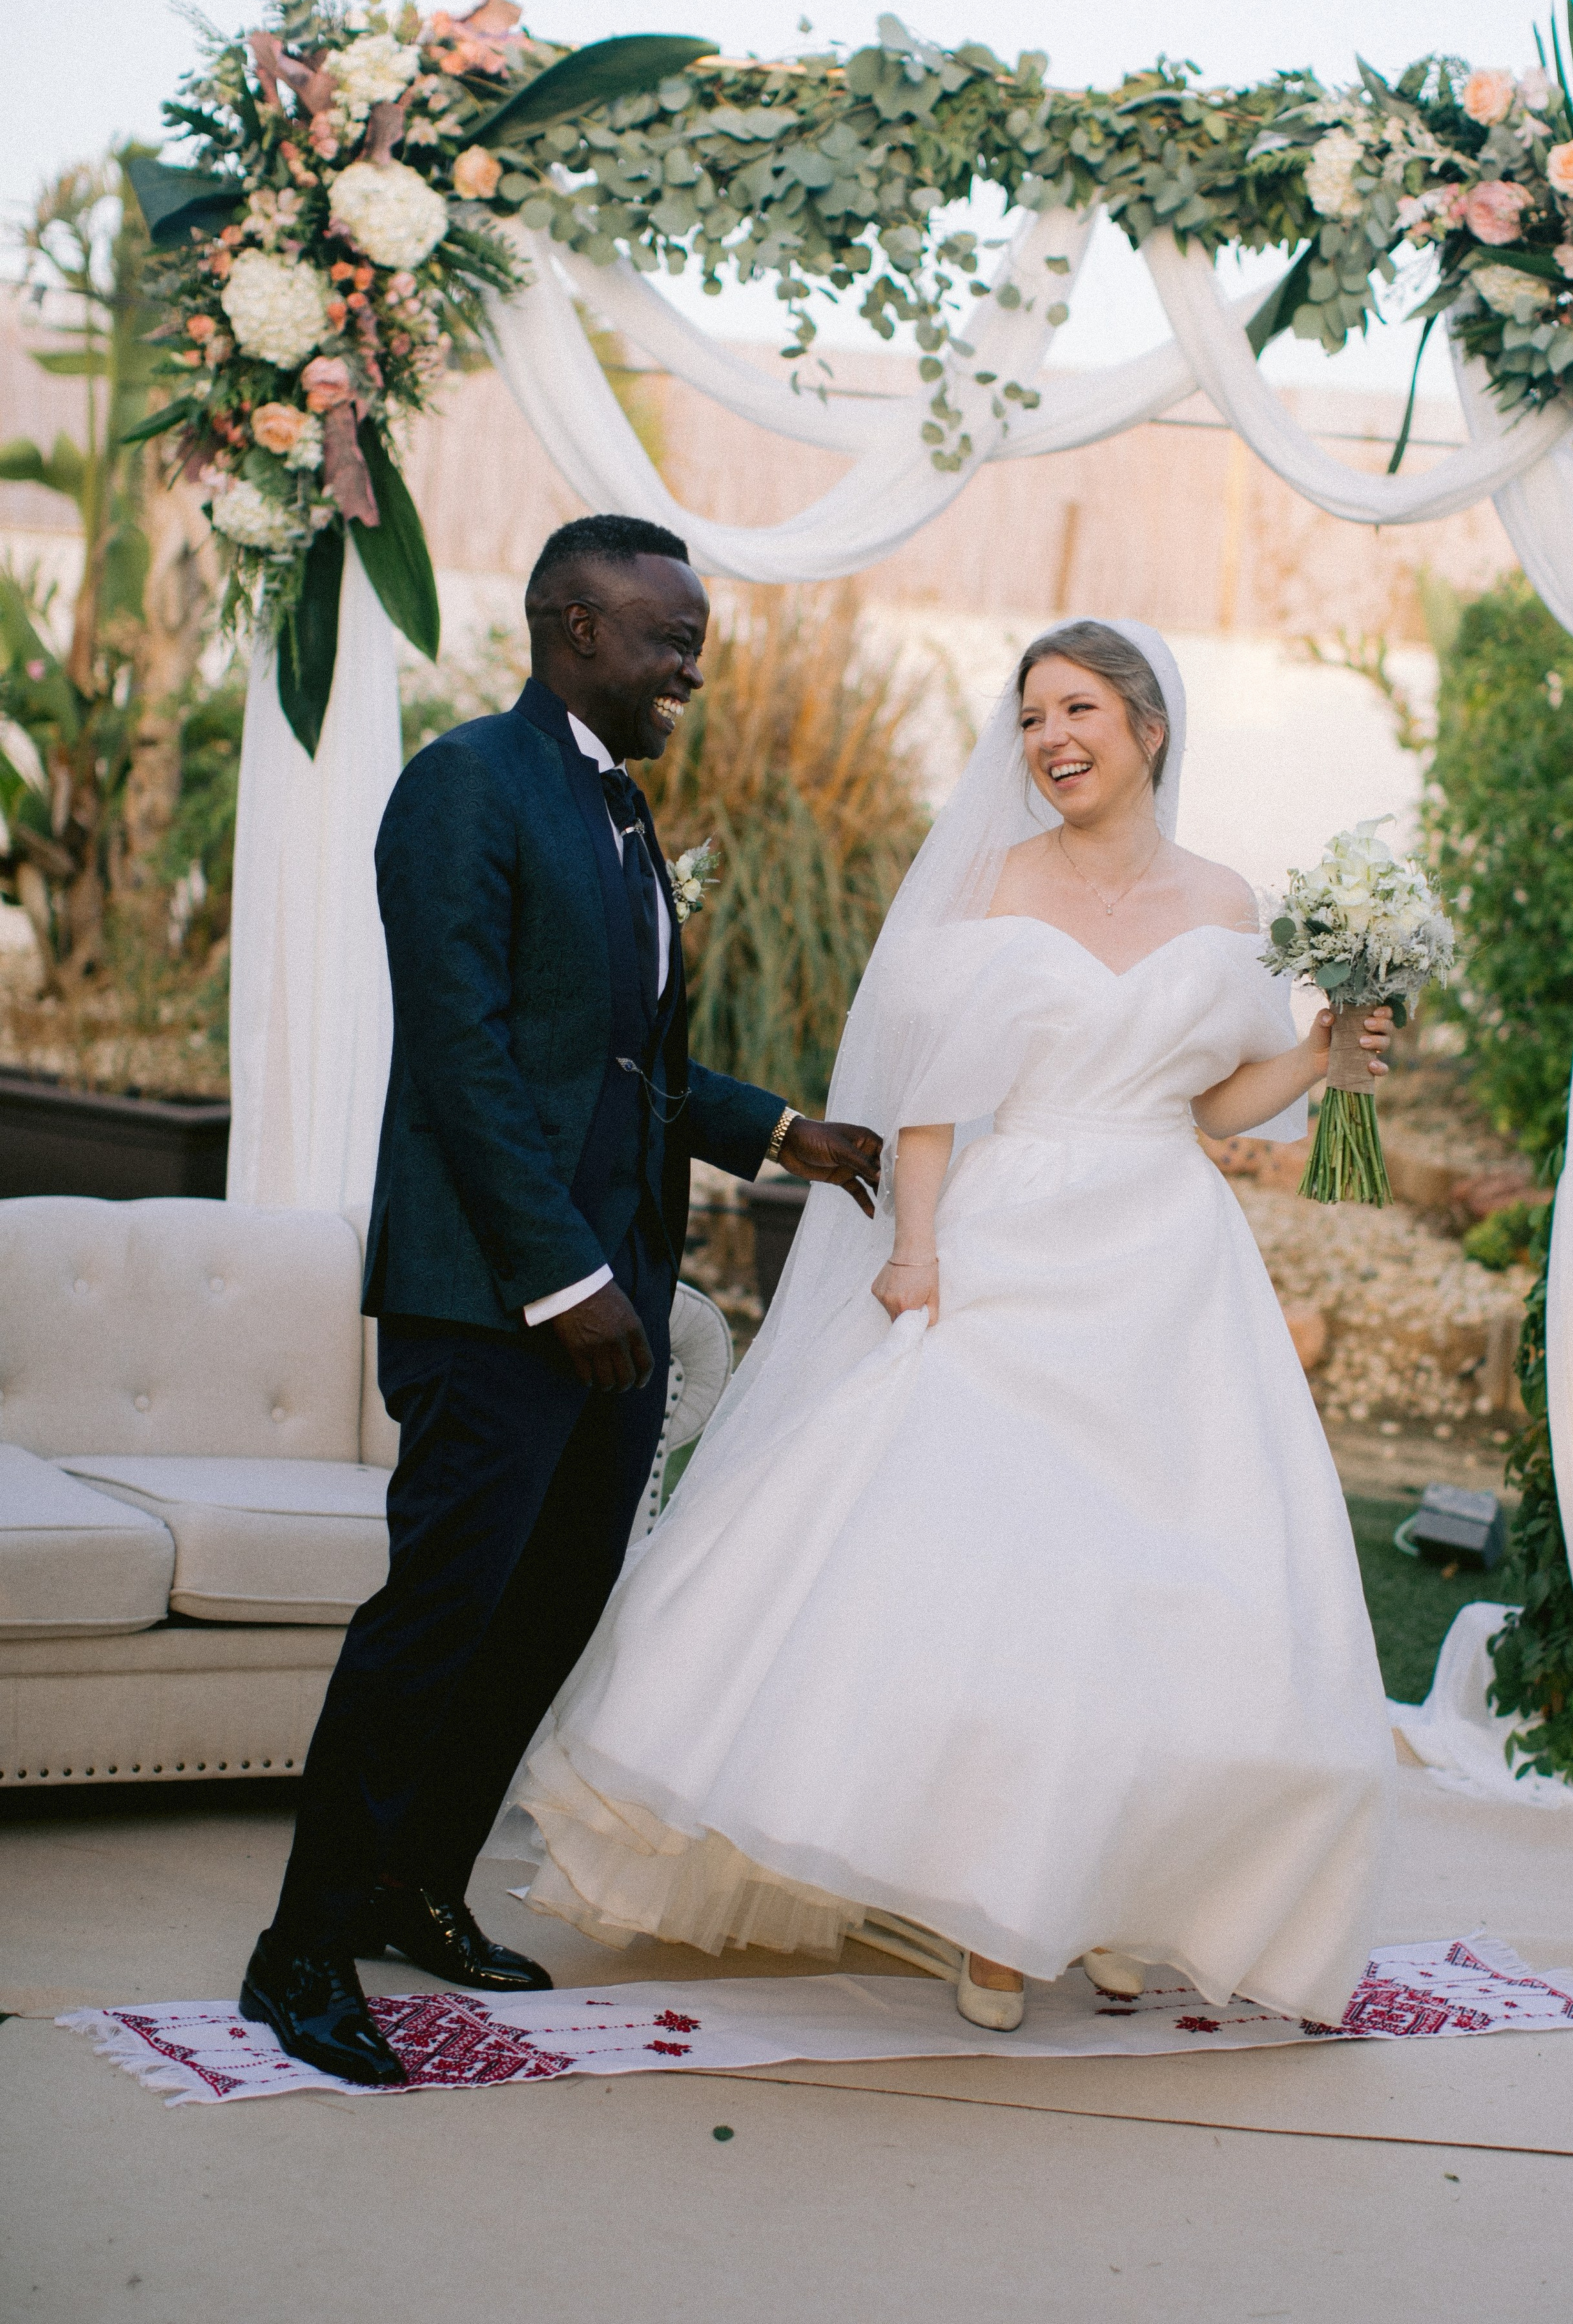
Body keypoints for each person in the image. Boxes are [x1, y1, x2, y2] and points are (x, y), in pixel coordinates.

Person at [513, 617, 1397, 2033]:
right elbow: (930, 1101)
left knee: (1176, 1592)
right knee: (1011, 1580)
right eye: (1031, 715)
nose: (1050, 738)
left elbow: (1215, 1103)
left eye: (1077, 710)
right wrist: (914, 1250)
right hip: (1010, 1246)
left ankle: (1123, 1900)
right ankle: (993, 1913)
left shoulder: (1232, 898)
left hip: (1167, 1269)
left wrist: (1316, 1052)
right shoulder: (989, 885)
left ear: (1147, 727)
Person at [242, 515, 882, 2085]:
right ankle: (301, 1946)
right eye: (669, 642)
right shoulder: (469, 782)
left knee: (544, 1613)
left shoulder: (617, 815)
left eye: (696, 648)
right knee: (433, 1619)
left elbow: (626, 1064)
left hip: (611, 1294)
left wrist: (781, 1131)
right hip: (496, 1299)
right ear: (570, 627)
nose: (689, 674)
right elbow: (461, 1059)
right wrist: (561, 1279)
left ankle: (415, 1887)